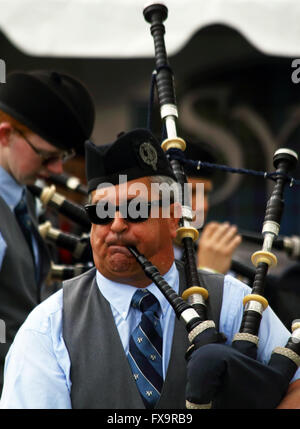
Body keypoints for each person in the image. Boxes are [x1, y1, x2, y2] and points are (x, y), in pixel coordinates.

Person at [1, 128, 300, 409]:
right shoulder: (49, 326)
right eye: (102, 212)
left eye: (135, 209)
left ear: (172, 218)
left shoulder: (232, 302)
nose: (116, 225)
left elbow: (296, 385)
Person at [0, 69, 95, 392]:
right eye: (47, 156)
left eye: (64, 157)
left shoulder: (23, 198)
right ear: (4, 135)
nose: (56, 169)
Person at [174, 141, 242, 275]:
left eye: (205, 194)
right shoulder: (130, 262)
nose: (203, 206)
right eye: (190, 193)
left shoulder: (221, 260)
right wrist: (209, 273)